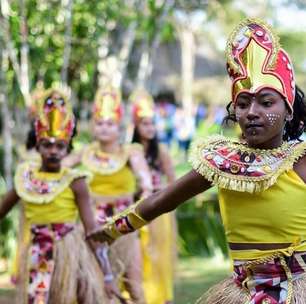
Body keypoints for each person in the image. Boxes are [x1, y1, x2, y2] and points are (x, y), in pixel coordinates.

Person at [89, 19, 306, 304]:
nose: (252, 112)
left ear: (288, 110)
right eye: (243, 104)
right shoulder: (223, 162)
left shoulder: (301, 161)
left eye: (266, 103)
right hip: (244, 292)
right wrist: (112, 229)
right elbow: (164, 200)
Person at [0, 88, 108, 304]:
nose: (53, 151)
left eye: (60, 146)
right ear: (37, 146)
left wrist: (107, 274)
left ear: (67, 149)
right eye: (47, 145)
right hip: (36, 252)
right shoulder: (26, 177)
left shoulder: (75, 181)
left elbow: (91, 231)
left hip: (71, 254)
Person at [64, 85, 153, 304]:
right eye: (100, 123)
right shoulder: (84, 154)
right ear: (93, 126)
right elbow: (58, 170)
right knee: (94, 286)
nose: (104, 128)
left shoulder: (130, 153)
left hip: (124, 229)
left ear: (119, 127)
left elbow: (147, 184)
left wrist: (143, 204)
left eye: (110, 124)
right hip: (92, 230)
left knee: (134, 284)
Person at [130, 89, 176, 304]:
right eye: (144, 124)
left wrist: (161, 194)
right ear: (136, 128)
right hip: (137, 209)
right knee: (140, 255)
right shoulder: (130, 152)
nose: (149, 128)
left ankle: (162, 298)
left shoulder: (162, 151)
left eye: (152, 123)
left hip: (160, 210)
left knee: (159, 256)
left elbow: (173, 181)